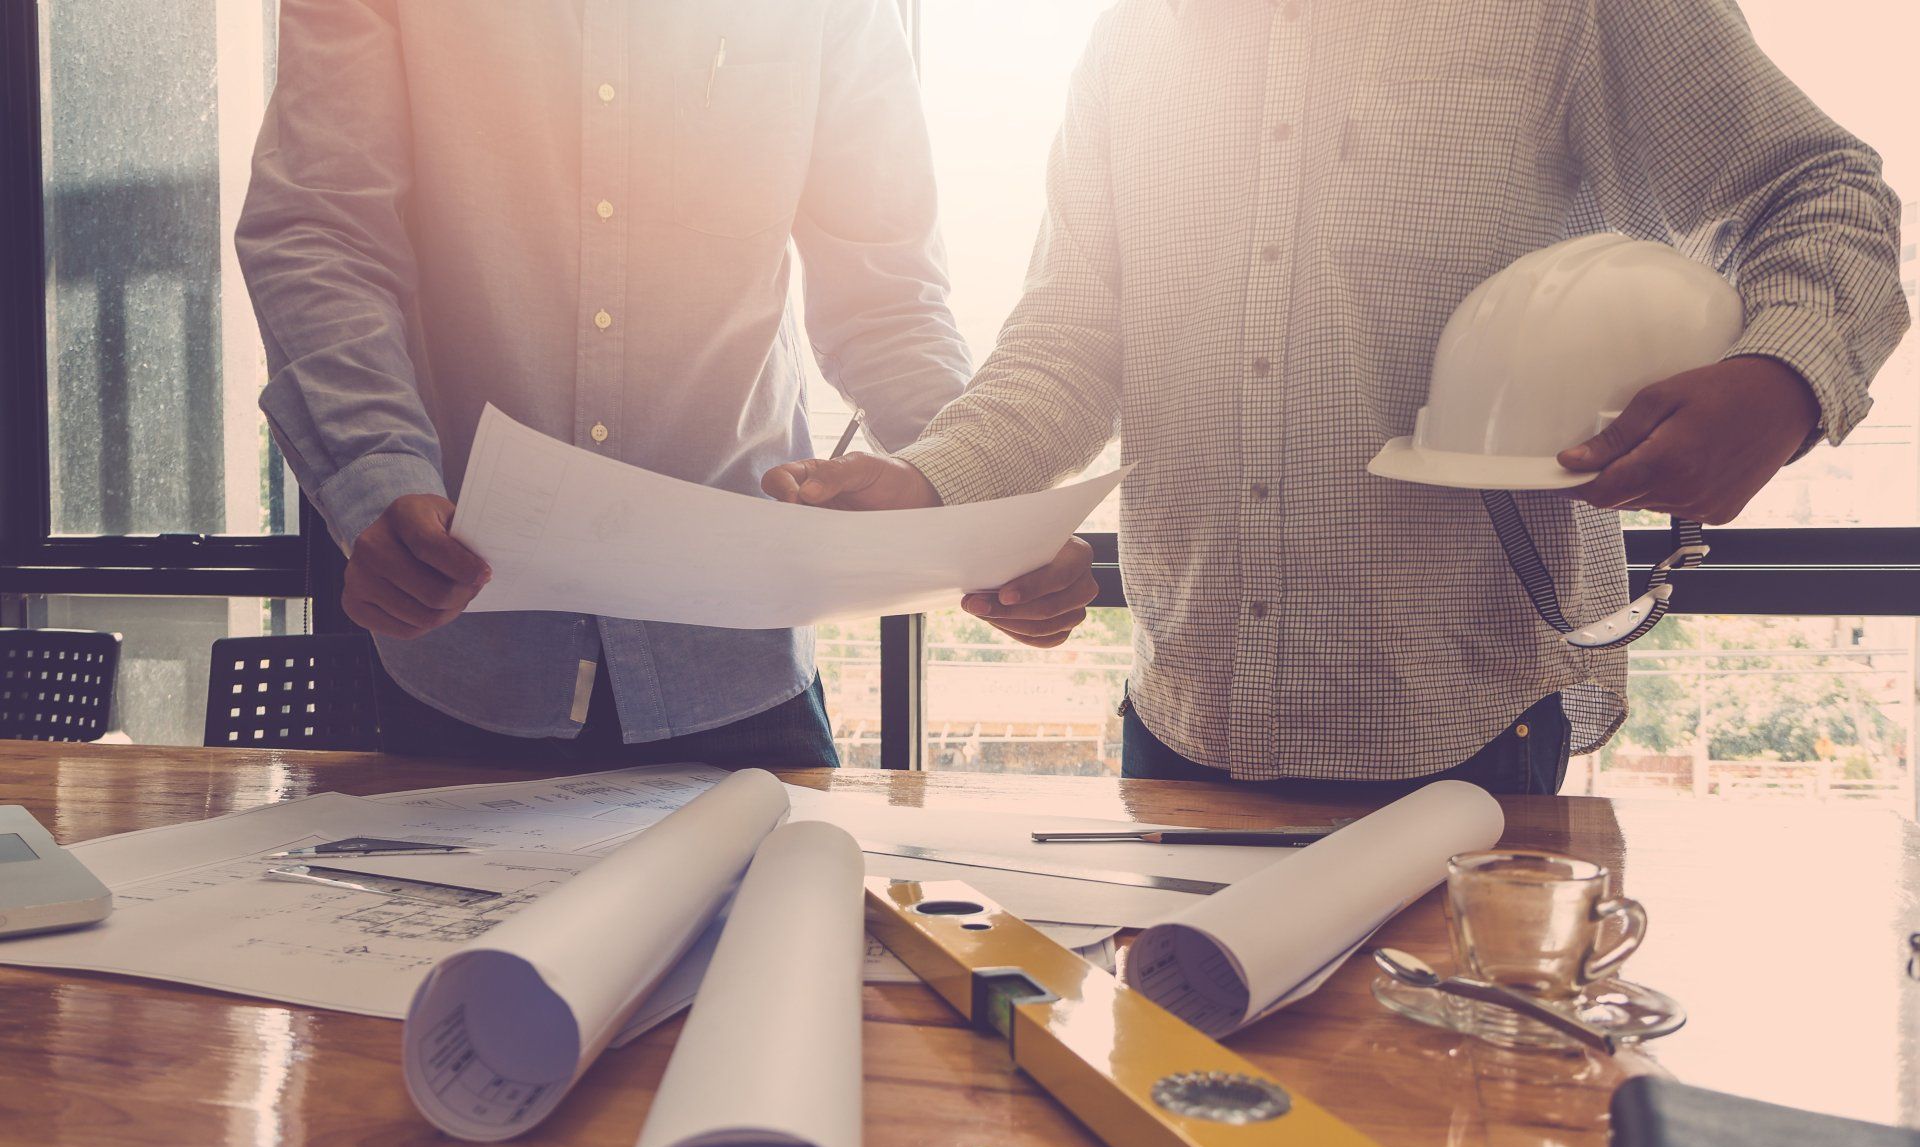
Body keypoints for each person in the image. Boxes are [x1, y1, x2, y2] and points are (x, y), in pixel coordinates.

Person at [767, 0, 1909, 794]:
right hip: (1181, 724)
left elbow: (1815, 187)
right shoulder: (1124, 48)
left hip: (1470, 726)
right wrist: (931, 484)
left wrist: (1783, 381)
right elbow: (1071, 343)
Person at [237, 0, 969, 768]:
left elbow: (887, 298)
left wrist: (978, 489)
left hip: (739, 658)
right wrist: (375, 476)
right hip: (462, 657)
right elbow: (320, 234)